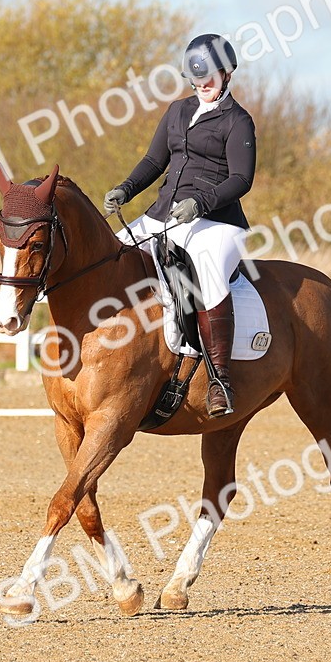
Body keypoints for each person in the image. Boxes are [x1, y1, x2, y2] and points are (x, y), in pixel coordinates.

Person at [104, 33, 256, 418]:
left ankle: (220, 379)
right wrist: (125, 188)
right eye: (195, 81)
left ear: (227, 73)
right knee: (111, 255)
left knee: (209, 275)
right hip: (164, 213)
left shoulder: (238, 121)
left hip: (215, 221)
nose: (201, 86)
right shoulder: (177, 111)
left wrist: (201, 202)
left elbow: (242, 179)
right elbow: (155, 162)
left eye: (208, 80)